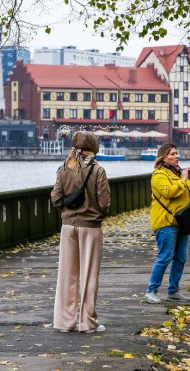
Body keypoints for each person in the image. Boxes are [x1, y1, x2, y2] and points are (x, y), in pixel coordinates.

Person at [50, 131, 111, 333]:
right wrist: (94, 213)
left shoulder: (64, 168)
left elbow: (56, 198)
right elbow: (104, 203)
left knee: (67, 274)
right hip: (90, 227)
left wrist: (68, 213)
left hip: (68, 226)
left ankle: (64, 322)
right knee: (89, 275)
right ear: (94, 146)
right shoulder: (97, 170)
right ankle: (88, 322)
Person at [143, 143, 190, 305]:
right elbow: (170, 192)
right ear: (163, 157)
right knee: (165, 257)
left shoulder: (176, 174)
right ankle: (151, 291)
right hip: (166, 222)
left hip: (182, 222)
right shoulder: (158, 175)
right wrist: (183, 179)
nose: (176, 156)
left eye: (176, 153)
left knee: (181, 258)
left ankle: (173, 291)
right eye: (172, 154)